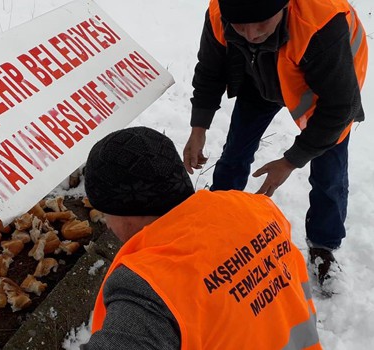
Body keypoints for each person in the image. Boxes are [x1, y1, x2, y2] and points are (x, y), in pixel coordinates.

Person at [182, 0, 367, 293]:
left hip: (323, 90)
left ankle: (323, 246)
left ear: (284, 7)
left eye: (261, 24)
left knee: (328, 174)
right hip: (260, 78)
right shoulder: (221, 13)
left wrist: (291, 160)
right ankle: (218, 218)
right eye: (240, 27)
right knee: (235, 151)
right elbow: (210, 69)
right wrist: (198, 127)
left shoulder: (320, 24)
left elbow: (341, 106)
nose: (251, 34)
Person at [82, 126, 320, 349]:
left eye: (105, 213)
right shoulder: (259, 210)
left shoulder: (149, 287)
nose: (107, 224)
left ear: (126, 213)